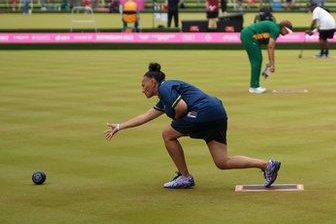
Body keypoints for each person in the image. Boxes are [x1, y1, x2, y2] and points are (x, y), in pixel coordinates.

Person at [104, 63, 281, 189]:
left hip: (203, 112)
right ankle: (267, 165)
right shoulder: (164, 98)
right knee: (222, 162)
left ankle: (185, 178)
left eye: (143, 85)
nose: (142, 89)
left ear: (152, 81)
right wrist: (120, 126)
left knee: (167, 133)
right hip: (217, 112)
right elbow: (145, 116)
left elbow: (181, 108)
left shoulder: (165, 87)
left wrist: (176, 120)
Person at [239, 19, 293, 94]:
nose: (287, 33)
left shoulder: (274, 28)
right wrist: (272, 64)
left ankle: (254, 86)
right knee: (257, 60)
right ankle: (254, 87)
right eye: (287, 31)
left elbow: (269, 45)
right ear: (283, 28)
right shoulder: (276, 30)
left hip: (249, 36)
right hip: (249, 36)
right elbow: (271, 47)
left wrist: (270, 63)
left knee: (257, 59)